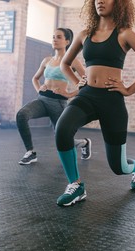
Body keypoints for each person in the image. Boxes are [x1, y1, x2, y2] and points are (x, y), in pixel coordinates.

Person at [55, 0, 135, 206]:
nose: (100, 1)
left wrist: (129, 90)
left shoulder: (125, 34)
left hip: (111, 100)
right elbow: (64, 64)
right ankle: (76, 185)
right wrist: (78, 82)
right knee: (62, 128)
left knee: (118, 167)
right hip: (86, 96)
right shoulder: (85, 34)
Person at [16, 28, 91, 165]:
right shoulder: (47, 60)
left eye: (59, 37)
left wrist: (69, 94)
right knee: (22, 115)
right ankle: (30, 152)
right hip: (42, 100)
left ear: (67, 41)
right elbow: (35, 78)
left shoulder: (72, 61)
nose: (54, 39)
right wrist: (40, 88)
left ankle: (84, 143)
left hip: (58, 103)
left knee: (62, 138)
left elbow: (87, 82)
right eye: (53, 37)